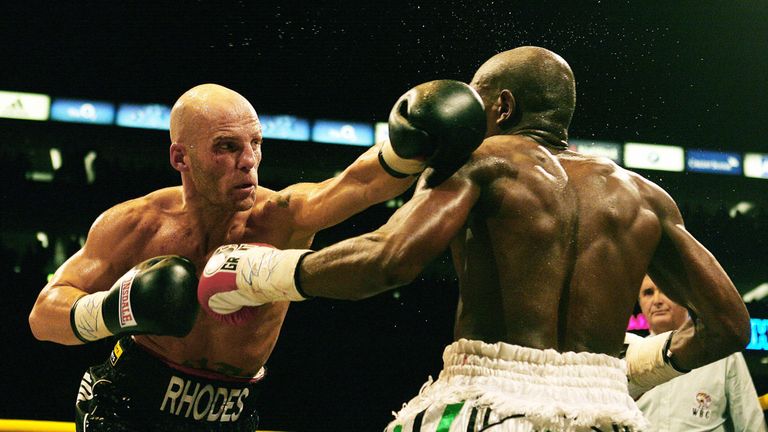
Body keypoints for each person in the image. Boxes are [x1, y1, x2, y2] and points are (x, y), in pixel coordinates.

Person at [198, 47, 752, 432]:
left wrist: (255, 274)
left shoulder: (481, 160)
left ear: (501, 107)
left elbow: (388, 261)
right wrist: (621, 370)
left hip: (490, 401)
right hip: (609, 410)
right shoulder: (646, 198)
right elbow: (730, 325)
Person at [26, 82, 438, 431]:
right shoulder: (137, 223)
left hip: (232, 414)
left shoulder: (282, 219)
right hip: (130, 404)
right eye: (226, 146)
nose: (248, 161)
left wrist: (407, 147)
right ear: (180, 158)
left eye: (256, 143)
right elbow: (43, 316)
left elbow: (359, 184)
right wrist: (115, 309)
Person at [635, 275, 766, 431]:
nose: (657, 300)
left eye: (666, 291)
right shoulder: (629, 358)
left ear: (685, 297)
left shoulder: (721, 354)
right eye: (648, 293)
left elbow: (752, 424)